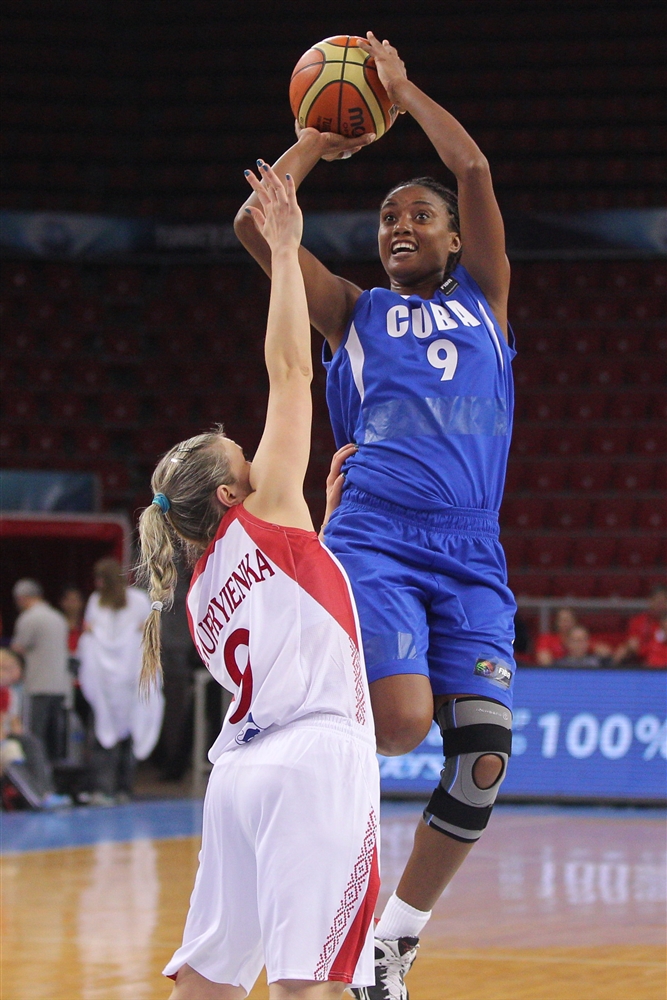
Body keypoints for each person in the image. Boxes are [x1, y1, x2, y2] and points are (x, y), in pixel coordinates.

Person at [235, 32, 517, 999]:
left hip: (471, 552)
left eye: (419, 216)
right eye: (388, 216)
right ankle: (302, 868)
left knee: (482, 763)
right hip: (377, 539)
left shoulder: (487, 302)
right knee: (397, 727)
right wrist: (317, 138)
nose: (400, 225)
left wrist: (401, 89)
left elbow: (472, 169)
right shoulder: (352, 311)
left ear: (453, 238)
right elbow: (257, 226)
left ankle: (391, 946)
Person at [137, 166, 379, 1000]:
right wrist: (283, 249)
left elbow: (292, 601)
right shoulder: (264, 511)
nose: (256, 452)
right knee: (309, 983)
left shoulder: (202, 588)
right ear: (230, 495)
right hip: (314, 758)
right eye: (244, 455)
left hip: (239, 776)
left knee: (209, 978)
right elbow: (289, 372)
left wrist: (320, 528)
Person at [77, 558, 164, 804]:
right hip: (105, 683)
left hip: (130, 680)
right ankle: (103, 787)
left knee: (129, 732)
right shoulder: (96, 601)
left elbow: (149, 633)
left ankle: (124, 787)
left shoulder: (138, 601)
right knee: (102, 734)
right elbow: (91, 631)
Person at [0, 648, 70, 809]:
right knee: (12, 751)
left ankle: (46, 792)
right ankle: (36, 798)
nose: (6, 674)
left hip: (5, 736)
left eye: (10, 668)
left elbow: (14, 723)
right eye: (3, 668)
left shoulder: (10, 693)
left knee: (30, 743)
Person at [10, 579, 70, 763]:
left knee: (35, 736)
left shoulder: (29, 618)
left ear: (22, 598)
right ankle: (52, 771)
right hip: (59, 686)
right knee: (54, 736)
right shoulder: (58, 617)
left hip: (38, 686)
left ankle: (37, 774)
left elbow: (16, 651)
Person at [613, 585, 667, 665]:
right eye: (657, 601)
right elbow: (634, 645)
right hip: (644, 660)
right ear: (650, 601)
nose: (660, 605)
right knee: (622, 650)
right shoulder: (638, 621)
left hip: (662, 660)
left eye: (663, 601)